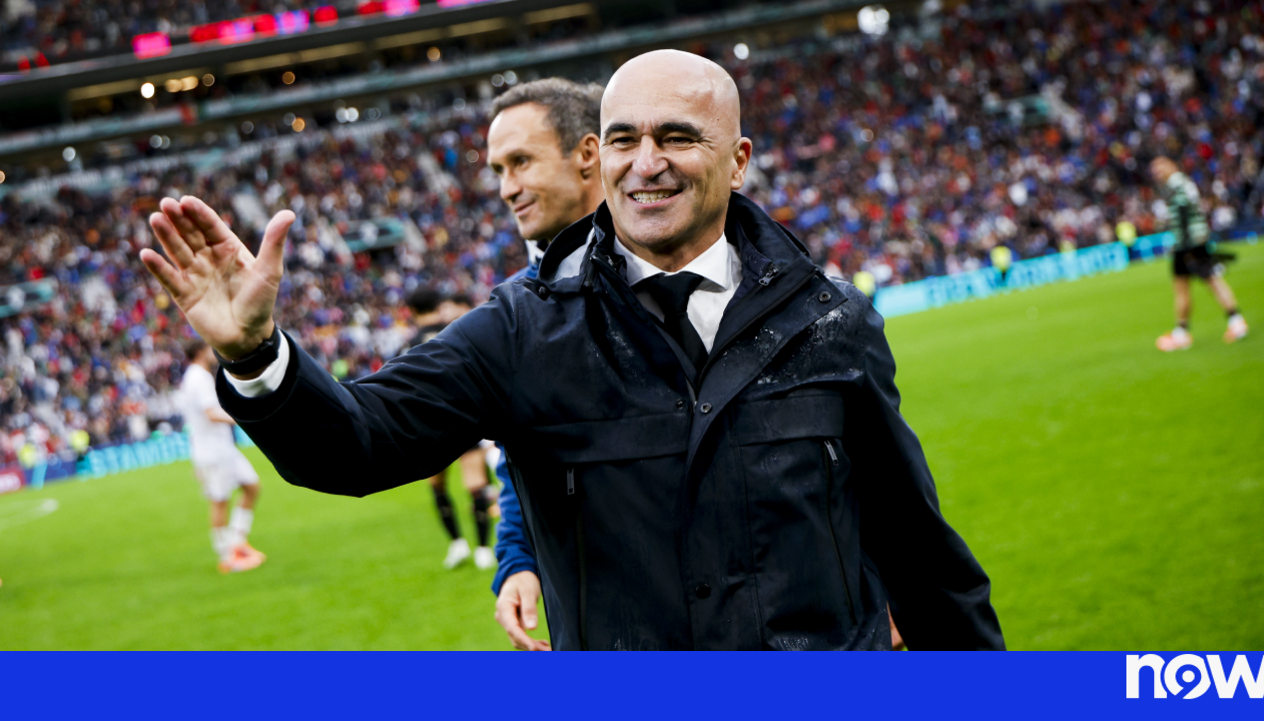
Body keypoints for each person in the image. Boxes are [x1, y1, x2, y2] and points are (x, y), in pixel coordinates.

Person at [142, 50, 1003, 650]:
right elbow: (358, 442)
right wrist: (256, 355)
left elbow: (922, 555)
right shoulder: (523, 328)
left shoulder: (830, 319)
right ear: (602, 153)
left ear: (738, 160)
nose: (646, 163)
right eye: (625, 138)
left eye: (677, 137)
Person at [484, 78, 605, 651]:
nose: (506, 189)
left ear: (587, 154)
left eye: (521, 162)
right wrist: (518, 559)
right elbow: (522, 456)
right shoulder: (517, 311)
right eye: (498, 170)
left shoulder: (693, 264)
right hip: (600, 617)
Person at [405, 287, 497, 569]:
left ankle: (457, 544)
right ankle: (483, 549)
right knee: (476, 486)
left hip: (430, 425)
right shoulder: (457, 331)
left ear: (412, 311)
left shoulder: (409, 344)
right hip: (466, 420)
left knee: (437, 486)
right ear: (439, 305)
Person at [178, 340, 265, 574]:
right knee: (220, 500)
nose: (214, 353)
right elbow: (210, 414)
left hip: (222, 448)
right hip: (212, 452)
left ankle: (237, 543)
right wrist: (242, 419)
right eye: (210, 349)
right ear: (200, 352)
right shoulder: (198, 378)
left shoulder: (197, 376)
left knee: (252, 487)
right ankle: (226, 555)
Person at [1149, 157, 1248, 351]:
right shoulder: (1184, 183)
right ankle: (1233, 322)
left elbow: (1184, 214)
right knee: (1200, 282)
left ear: (1171, 165)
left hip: (1187, 244)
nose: (1157, 173)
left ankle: (1186, 333)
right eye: (1154, 170)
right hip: (1192, 241)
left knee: (1196, 284)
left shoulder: (1176, 185)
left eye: (1160, 167)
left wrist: (1185, 244)